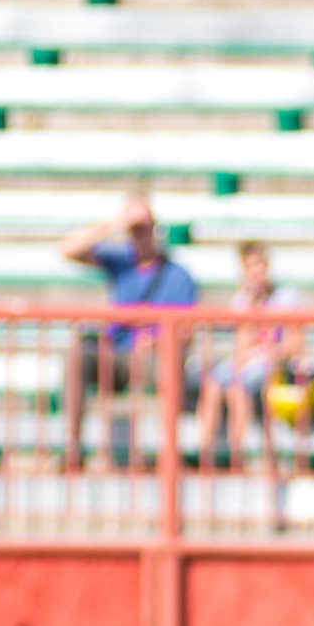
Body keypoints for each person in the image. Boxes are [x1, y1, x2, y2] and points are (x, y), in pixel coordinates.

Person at [56, 192, 199, 473]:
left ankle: (168, 453)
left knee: (168, 368)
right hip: (116, 354)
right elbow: (67, 249)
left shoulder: (178, 275)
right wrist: (115, 222)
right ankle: (72, 447)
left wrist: (159, 340)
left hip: (151, 359)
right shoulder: (120, 262)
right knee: (77, 355)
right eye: (134, 229)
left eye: (144, 227)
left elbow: (187, 330)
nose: (139, 235)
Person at [196, 241, 305, 475]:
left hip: (276, 361)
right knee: (213, 382)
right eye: (251, 267)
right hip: (251, 359)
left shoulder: (288, 297)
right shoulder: (242, 300)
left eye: (260, 265)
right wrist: (253, 309)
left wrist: (267, 352)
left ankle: (237, 453)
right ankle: (205, 451)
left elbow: (293, 344)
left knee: (238, 385)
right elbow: (242, 345)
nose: (257, 272)